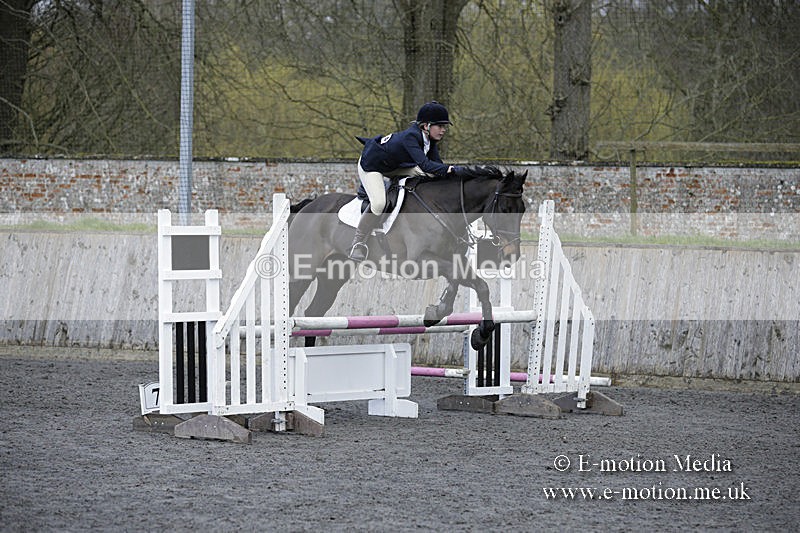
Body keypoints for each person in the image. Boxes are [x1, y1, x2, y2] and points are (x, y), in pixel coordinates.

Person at [349, 101, 460, 262]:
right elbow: (426, 164)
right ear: (426, 126)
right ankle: (358, 243)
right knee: (379, 203)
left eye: (445, 126)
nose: (443, 130)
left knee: (428, 175)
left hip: (394, 165)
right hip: (372, 165)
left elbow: (437, 169)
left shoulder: (430, 141)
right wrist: (452, 169)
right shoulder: (411, 136)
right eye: (440, 126)